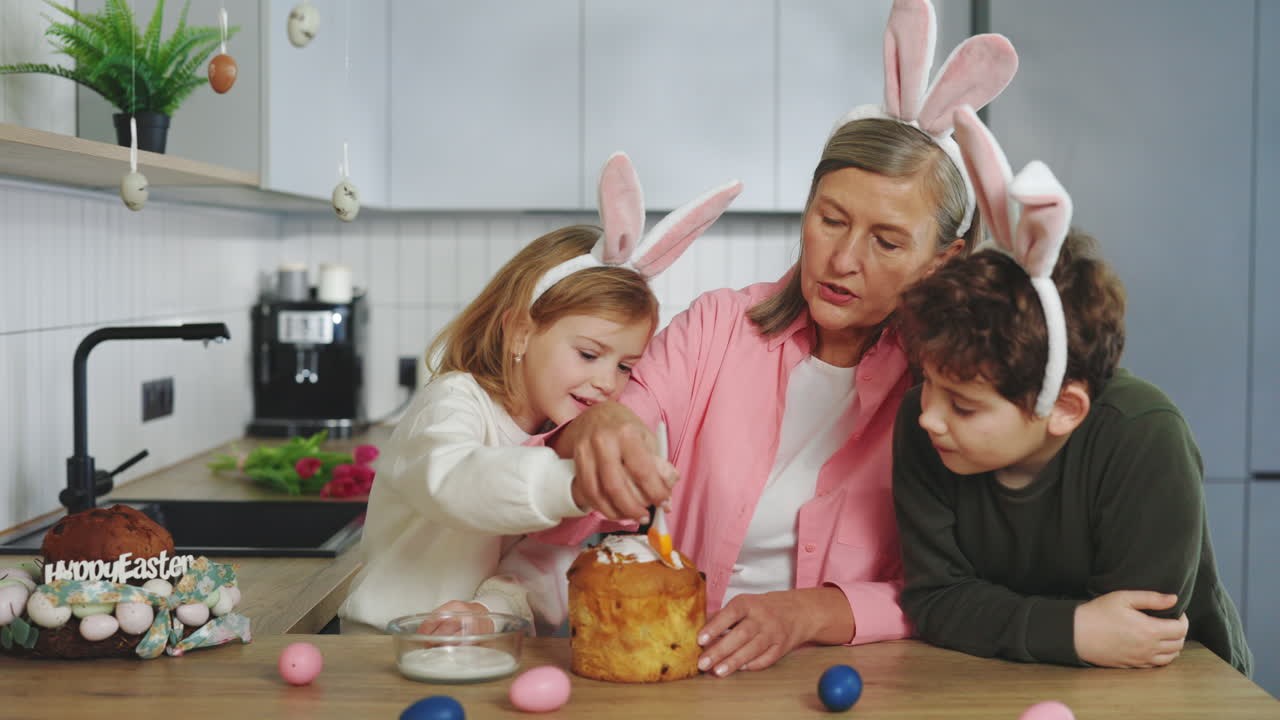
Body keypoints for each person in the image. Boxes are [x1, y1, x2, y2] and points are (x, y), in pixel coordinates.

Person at [530, 0, 1019, 676]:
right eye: (830, 219)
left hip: (860, 681)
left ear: (943, 260)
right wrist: (594, 429)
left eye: (886, 241)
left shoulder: (948, 392)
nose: (844, 260)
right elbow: (599, 433)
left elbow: (955, 588)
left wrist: (808, 612)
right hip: (680, 666)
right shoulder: (716, 328)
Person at [891, 106, 1252, 675]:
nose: (929, 416)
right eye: (928, 382)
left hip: (1176, 687)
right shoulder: (925, 422)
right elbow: (935, 601)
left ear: (1063, 408)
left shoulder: (1145, 435)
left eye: (962, 405)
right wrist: (1077, 627)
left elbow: (1138, 633)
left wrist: (998, 616)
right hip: (1010, 679)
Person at [337, 153, 741, 634]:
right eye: (589, 354)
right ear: (521, 333)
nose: (608, 382)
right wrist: (573, 485)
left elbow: (538, 563)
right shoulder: (454, 401)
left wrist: (491, 613)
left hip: (483, 651)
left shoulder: (557, 435)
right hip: (385, 649)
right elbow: (453, 483)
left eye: (626, 365)